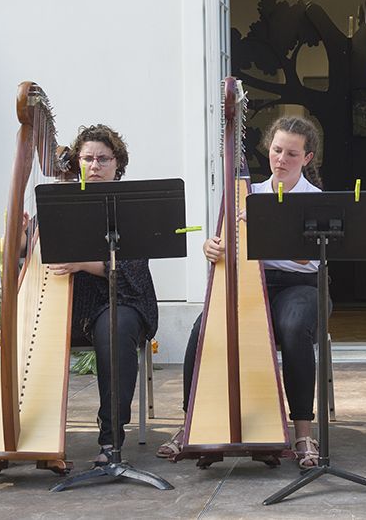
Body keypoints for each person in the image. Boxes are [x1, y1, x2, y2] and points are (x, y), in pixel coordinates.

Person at [158, 116, 326, 469]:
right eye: (277, 150)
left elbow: (308, 257)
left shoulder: (315, 200)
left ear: (307, 158)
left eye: (292, 154)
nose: (281, 159)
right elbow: (229, 247)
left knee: (294, 327)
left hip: (302, 286)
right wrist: (212, 248)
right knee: (202, 326)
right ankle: (190, 423)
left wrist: (266, 229)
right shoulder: (250, 195)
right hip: (255, 283)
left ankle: (302, 431)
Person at [47, 124, 158, 466]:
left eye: (103, 159)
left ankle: (111, 438)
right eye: (87, 158)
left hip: (125, 301)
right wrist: (22, 237)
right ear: (75, 162)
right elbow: (38, 248)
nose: (94, 166)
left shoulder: (132, 204)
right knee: (20, 335)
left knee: (115, 329)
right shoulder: (60, 200)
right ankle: (13, 435)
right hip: (72, 306)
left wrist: (82, 263)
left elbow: (132, 269)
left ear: (117, 164)